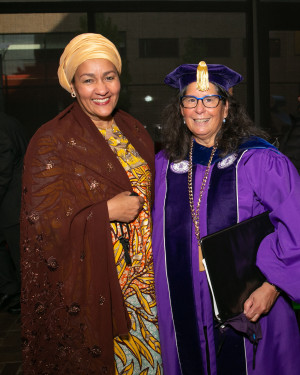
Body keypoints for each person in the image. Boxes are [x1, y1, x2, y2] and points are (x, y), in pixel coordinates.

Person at [20, 33, 162, 375]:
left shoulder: (133, 128)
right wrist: (106, 212)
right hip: (94, 283)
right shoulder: (50, 140)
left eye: (109, 77)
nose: (101, 88)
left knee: (152, 361)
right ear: (72, 86)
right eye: (88, 79)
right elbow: (41, 223)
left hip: (149, 281)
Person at [152, 61, 300, 375]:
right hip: (182, 306)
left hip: (251, 303)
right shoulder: (164, 165)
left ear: (226, 108)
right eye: (191, 100)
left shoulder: (259, 160)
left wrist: (272, 286)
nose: (200, 109)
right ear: (181, 110)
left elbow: (297, 226)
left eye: (210, 100)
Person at [0, 112, 28, 314]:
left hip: (12, 203)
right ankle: (15, 295)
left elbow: (3, 171)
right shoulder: (11, 120)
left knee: (20, 255)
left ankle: (24, 300)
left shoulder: (3, 126)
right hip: (16, 201)